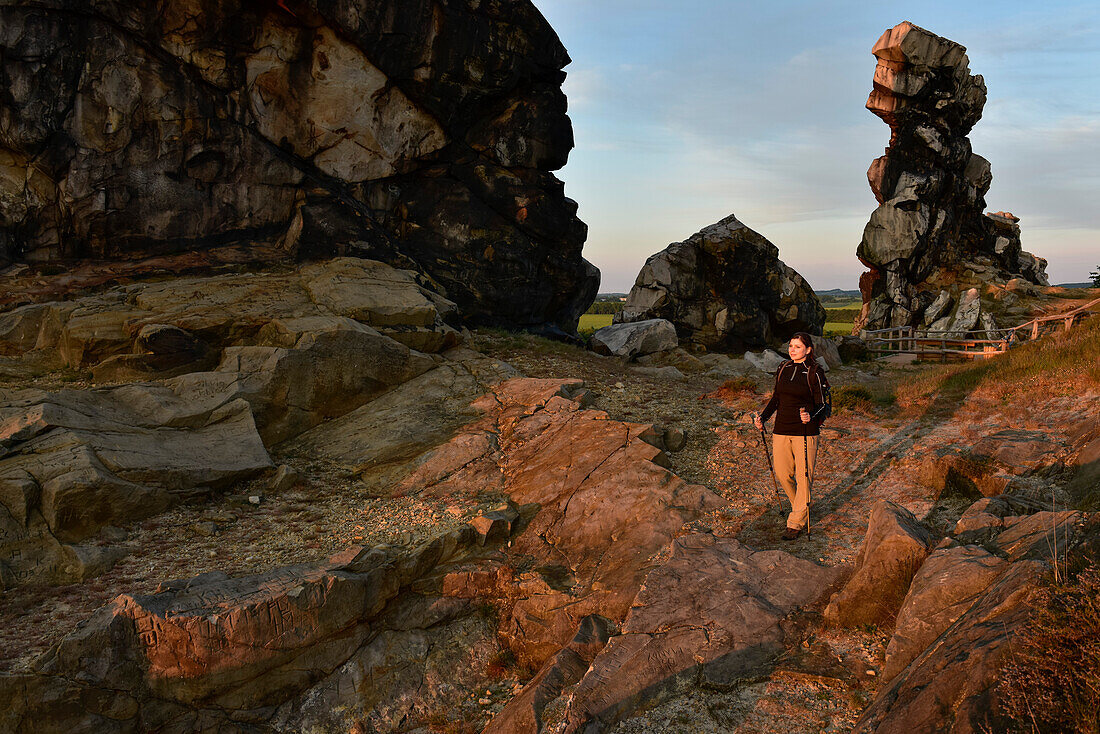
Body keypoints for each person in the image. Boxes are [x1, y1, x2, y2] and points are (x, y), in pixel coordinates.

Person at [752, 332, 831, 540]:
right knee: (782, 474)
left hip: (806, 432)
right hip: (781, 429)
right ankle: (802, 506)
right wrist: (763, 417)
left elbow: (823, 404)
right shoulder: (784, 368)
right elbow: (776, 398)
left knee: (804, 477)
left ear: (808, 349)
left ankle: (795, 521)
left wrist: (810, 416)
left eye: (797, 346)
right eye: (790, 346)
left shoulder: (815, 372)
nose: (792, 350)